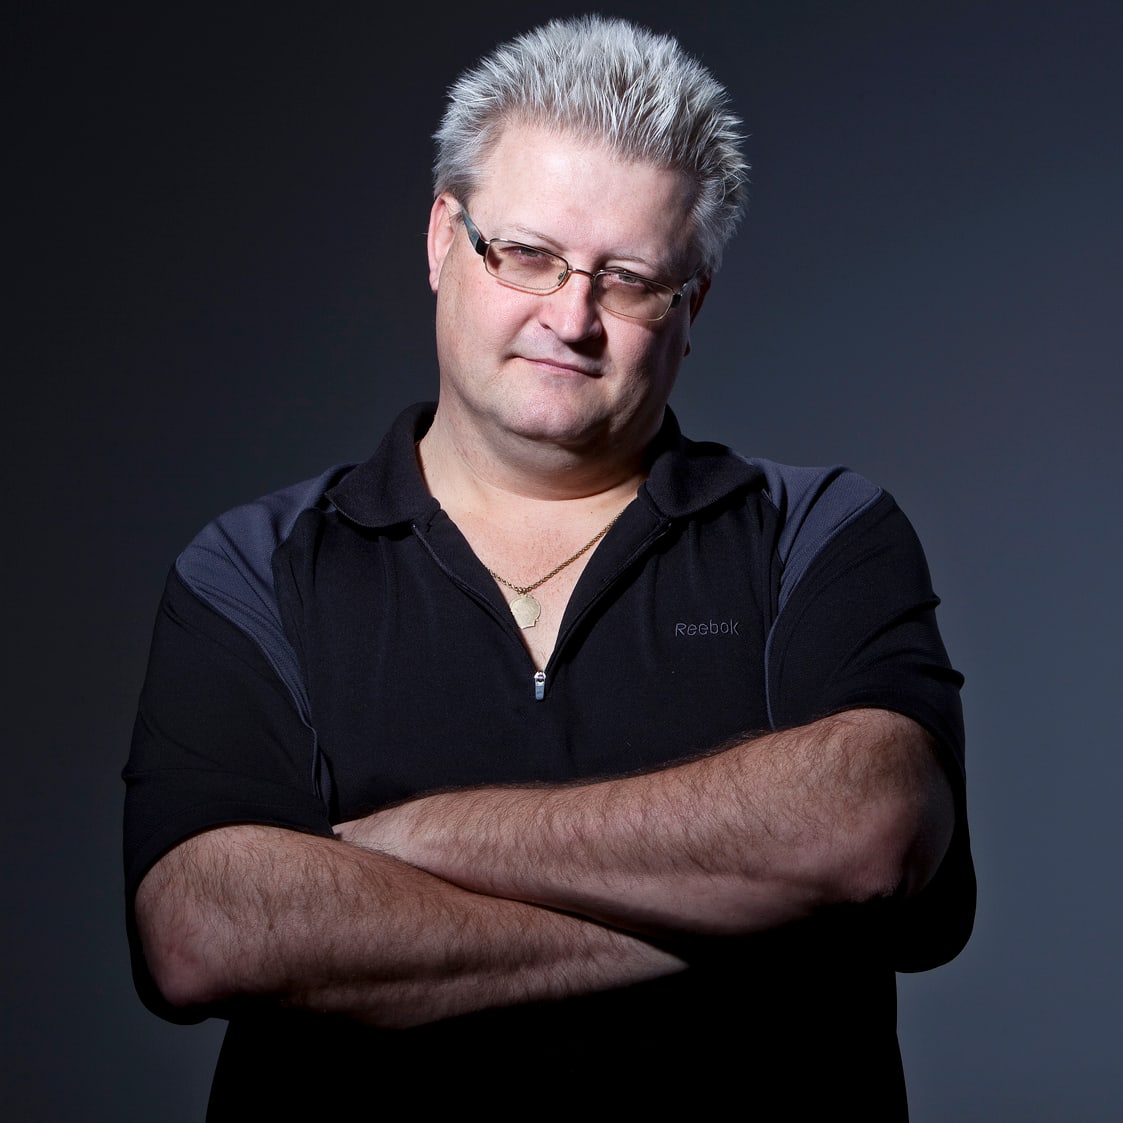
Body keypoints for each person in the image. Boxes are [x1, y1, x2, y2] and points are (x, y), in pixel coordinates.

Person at [124, 15, 974, 1119]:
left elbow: (871, 821)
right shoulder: (250, 569)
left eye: (628, 280)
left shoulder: (817, 530)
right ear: (442, 240)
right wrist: (737, 908)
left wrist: (415, 840)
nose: (569, 318)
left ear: (690, 308)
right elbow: (208, 927)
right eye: (524, 254)